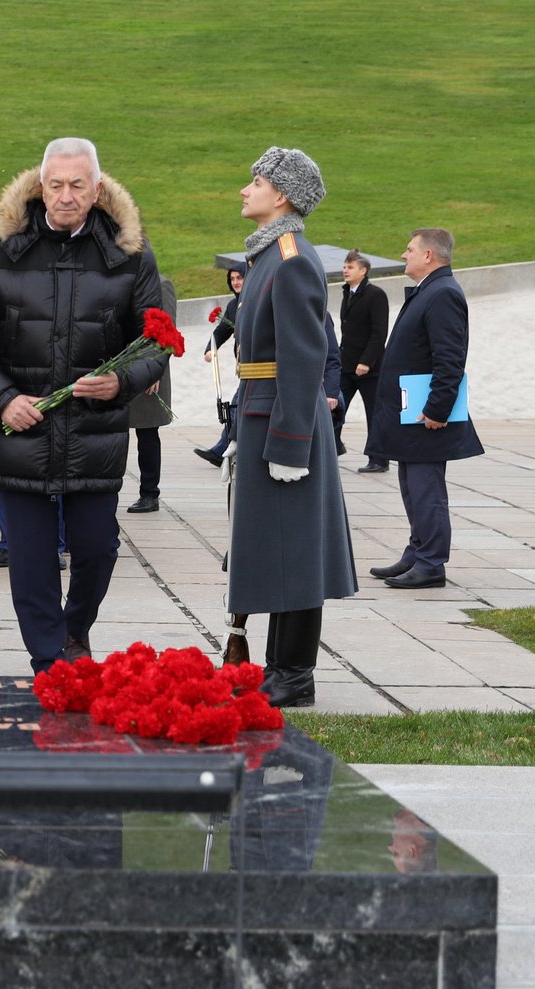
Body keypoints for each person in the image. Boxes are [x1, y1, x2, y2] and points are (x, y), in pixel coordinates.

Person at [0, 138, 166, 672]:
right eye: (56, 185)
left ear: (97, 188)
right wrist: (2, 400)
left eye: (78, 185)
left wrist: (120, 381)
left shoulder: (129, 255)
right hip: (19, 433)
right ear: (39, 185)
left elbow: (156, 340)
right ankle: (49, 661)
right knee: (30, 560)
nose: (66, 195)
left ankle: (74, 629)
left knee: (97, 549)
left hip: (94, 432)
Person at [223, 146, 358, 708]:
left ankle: (294, 672)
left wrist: (289, 442)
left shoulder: (291, 257)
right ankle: (279, 666)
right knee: (274, 549)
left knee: (295, 551)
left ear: (281, 195)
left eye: (254, 181)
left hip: (284, 420)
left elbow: (304, 358)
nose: (243, 190)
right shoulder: (268, 257)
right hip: (263, 410)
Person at [365, 228, 483, 589]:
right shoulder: (431, 290)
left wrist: (437, 410)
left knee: (426, 488)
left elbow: (450, 358)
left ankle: (431, 563)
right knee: (411, 486)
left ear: (429, 256)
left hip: (425, 415)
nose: (404, 255)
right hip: (410, 413)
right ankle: (417, 552)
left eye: (410, 249)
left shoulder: (443, 293)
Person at [125, 273, 178, 512]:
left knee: (147, 435)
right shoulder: (121, 280)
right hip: (120, 369)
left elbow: (167, 331)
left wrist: (154, 370)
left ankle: (149, 493)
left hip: (149, 373)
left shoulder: (160, 284)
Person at [338, 249, 391, 472]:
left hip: (370, 368)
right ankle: (332, 447)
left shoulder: (376, 294)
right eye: (344, 266)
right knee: (334, 407)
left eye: (350, 267)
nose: (345, 270)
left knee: (375, 413)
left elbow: (379, 333)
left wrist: (367, 362)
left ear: (364, 270)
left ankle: (379, 459)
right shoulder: (347, 292)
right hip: (345, 364)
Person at [194, 267, 245, 467]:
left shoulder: (256, 300)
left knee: (235, 406)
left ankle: (222, 449)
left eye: (240, 277)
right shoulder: (234, 305)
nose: (235, 282)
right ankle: (224, 448)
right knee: (236, 407)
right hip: (244, 367)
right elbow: (221, 331)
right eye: (232, 279)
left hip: (258, 367)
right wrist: (210, 349)